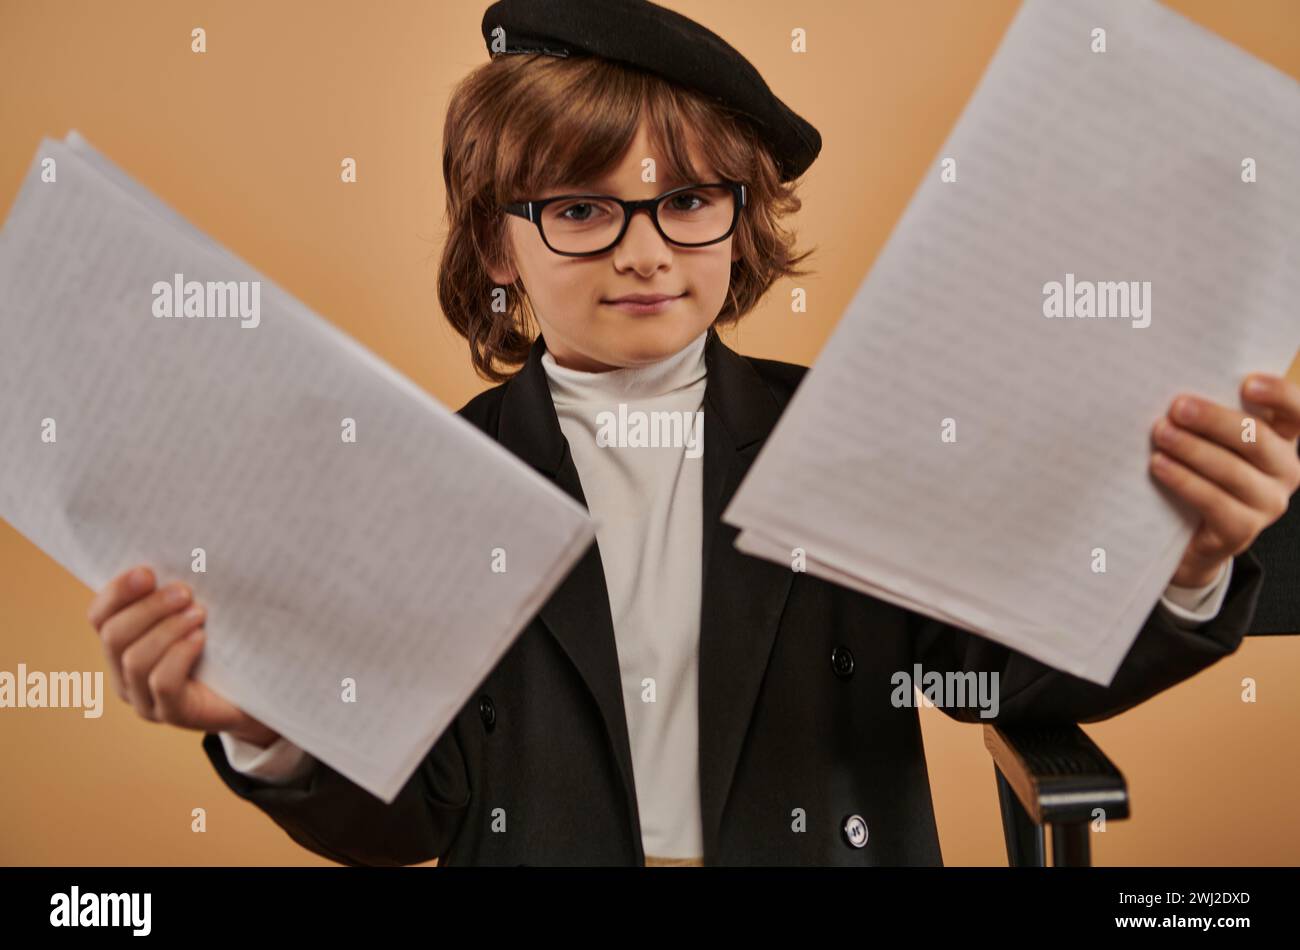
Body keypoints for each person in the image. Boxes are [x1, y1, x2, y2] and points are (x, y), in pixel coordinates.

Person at [86, 0, 1299, 866]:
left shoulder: (856, 433)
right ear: (498, 244)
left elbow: (1007, 674)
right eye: (579, 208)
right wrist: (270, 723)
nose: (645, 246)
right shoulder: (423, 480)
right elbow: (424, 818)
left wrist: (1185, 565)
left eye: (684, 199)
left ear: (736, 217)